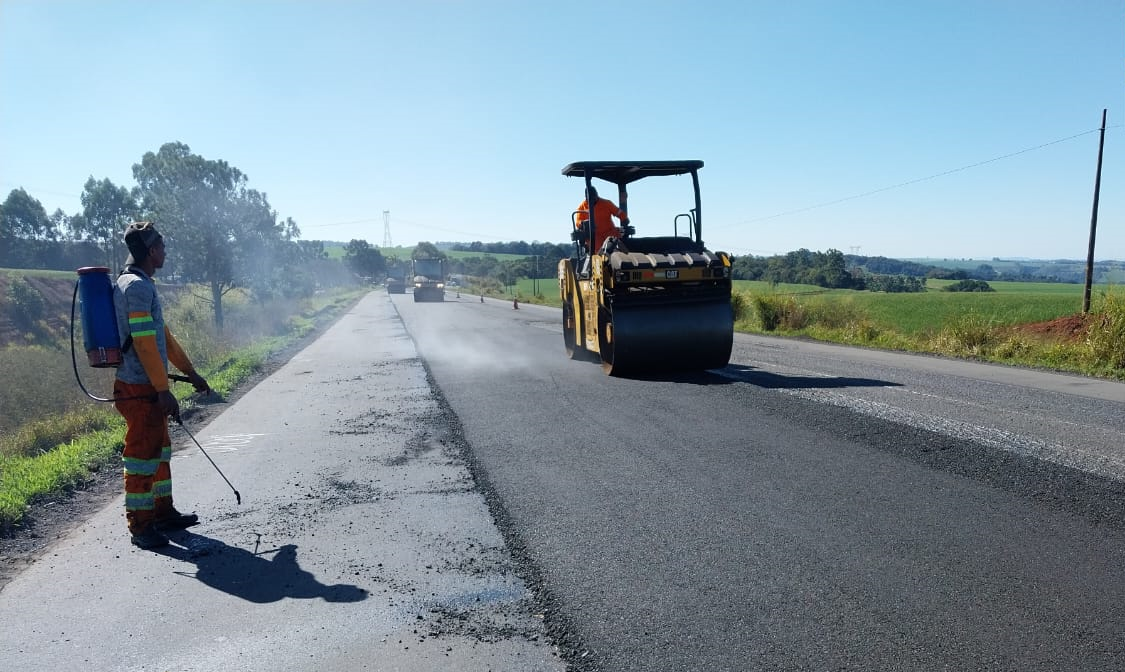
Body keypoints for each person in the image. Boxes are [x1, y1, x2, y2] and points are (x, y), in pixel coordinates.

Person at [113, 221, 210, 550]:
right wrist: (161, 390)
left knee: (160, 453)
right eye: (162, 247)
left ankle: (162, 513)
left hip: (147, 389)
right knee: (142, 457)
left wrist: (191, 373)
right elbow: (143, 342)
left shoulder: (141, 284)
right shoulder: (136, 288)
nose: (166, 252)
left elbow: (162, 337)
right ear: (151, 251)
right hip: (140, 391)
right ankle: (140, 527)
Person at [575, 186, 630, 253]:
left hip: (610, 234)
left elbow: (618, 212)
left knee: (619, 248)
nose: (594, 198)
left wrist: (624, 218)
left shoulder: (606, 203)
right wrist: (582, 223)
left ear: (597, 194)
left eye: (595, 196)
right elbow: (577, 222)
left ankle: (627, 258)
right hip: (594, 237)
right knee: (599, 254)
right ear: (586, 197)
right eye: (591, 197)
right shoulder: (582, 207)